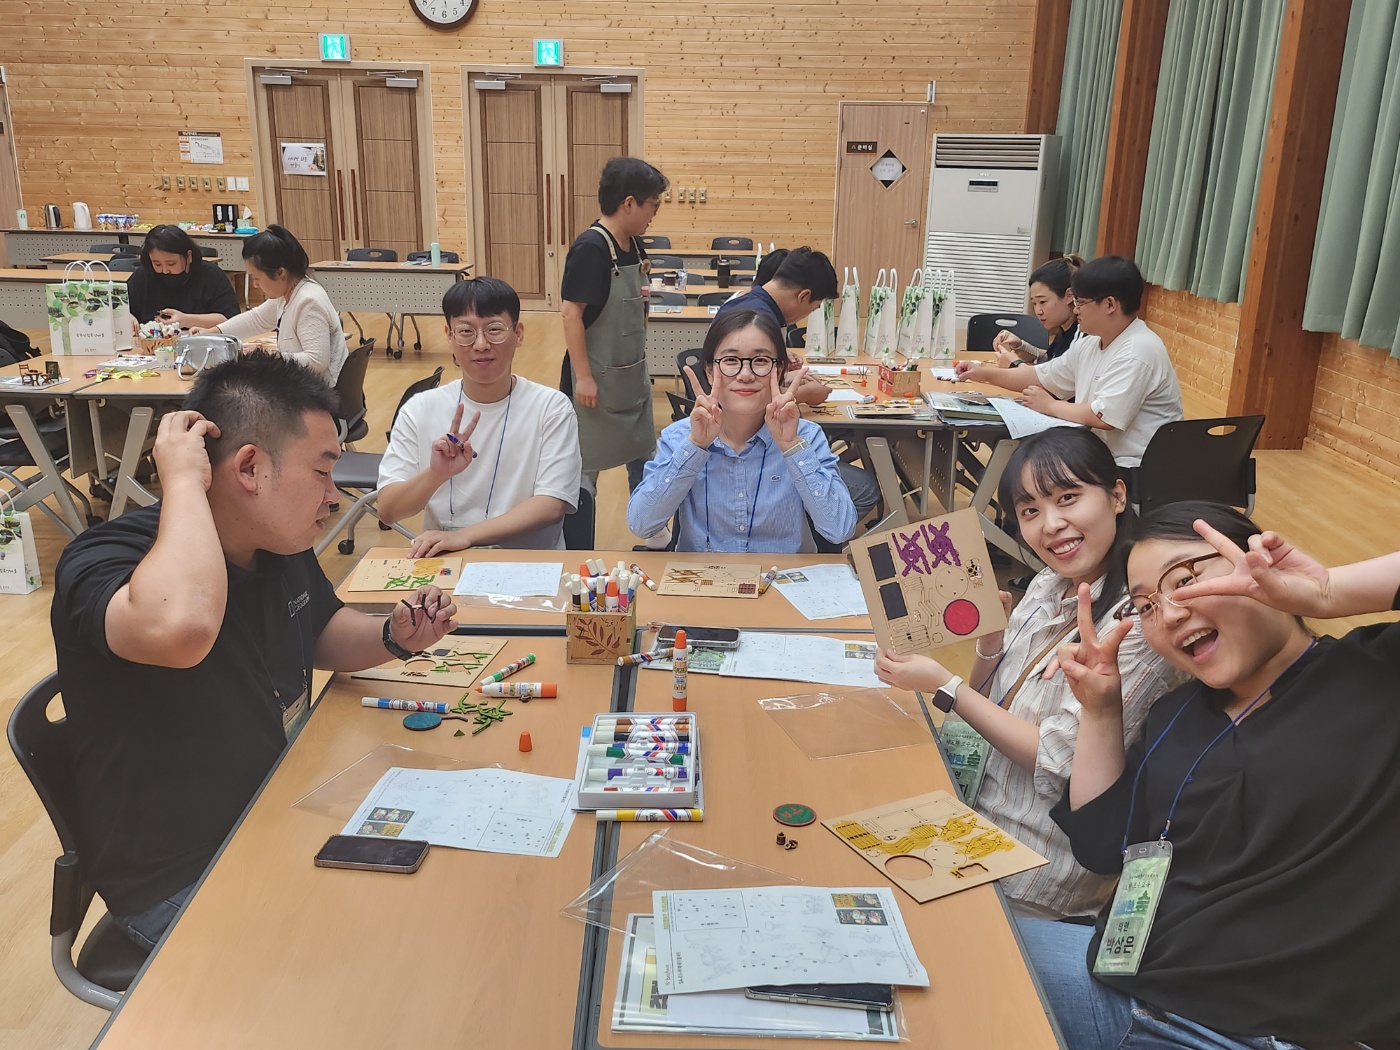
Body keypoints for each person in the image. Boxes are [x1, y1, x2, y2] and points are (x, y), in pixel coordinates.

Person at [50, 352, 459, 952]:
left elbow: (318, 630)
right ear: (248, 468)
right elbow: (184, 629)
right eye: (321, 472)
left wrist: (393, 637)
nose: (334, 496)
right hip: (184, 875)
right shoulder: (104, 559)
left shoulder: (276, 542)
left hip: (274, 807)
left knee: (442, 897)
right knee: (392, 950)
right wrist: (183, 482)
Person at [1020, 502, 1400, 1048]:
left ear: (1261, 565)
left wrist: (1327, 591)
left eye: (1185, 580)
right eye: (1145, 606)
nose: (1169, 614)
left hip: (1258, 1032)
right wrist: (1101, 711)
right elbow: (1103, 846)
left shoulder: (1378, 675)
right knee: (939, 942)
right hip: (1130, 986)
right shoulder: (1178, 716)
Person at [873, 428, 1177, 920]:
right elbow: (984, 704)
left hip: (1031, 865)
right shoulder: (1048, 582)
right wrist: (990, 645)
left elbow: (1058, 760)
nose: (1052, 524)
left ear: (1118, 495)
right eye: (1031, 510)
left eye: (1068, 498)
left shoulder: (1138, 622)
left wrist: (943, 684)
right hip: (968, 808)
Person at [377, 276, 581, 553]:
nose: (481, 344)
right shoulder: (420, 408)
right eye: (466, 332)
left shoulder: (551, 408)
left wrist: (467, 536)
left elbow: (551, 505)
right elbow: (388, 510)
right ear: (449, 336)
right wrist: (435, 475)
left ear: (518, 333)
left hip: (529, 561)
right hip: (446, 560)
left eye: (494, 329)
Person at [628, 309, 857, 553]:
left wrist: (792, 447)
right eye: (730, 361)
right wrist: (695, 446)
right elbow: (642, 524)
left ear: (779, 370)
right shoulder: (680, 437)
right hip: (703, 575)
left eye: (761, 361)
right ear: (709, 371)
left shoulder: (806, 437)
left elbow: (840, 530)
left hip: (784, 574)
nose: (745, 375)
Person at [953, 256, 1182, 467]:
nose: (1076, 309)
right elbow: (1040, 376)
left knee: (1031, 465)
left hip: (1133, 468)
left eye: (1081, 302)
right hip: (1096, 454)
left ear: (1110, 305)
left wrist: (1050, 406)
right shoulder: (1091, 343)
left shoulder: (1138, 349)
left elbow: (1104, 416)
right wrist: (981, 373)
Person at [714, 246, 879, 525]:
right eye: (812, 308)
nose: (807, 315)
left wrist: (782, 374)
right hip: (752, 446)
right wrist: (803, 394)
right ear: (803, 296)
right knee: (865, 488)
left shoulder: (747, 303)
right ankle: (804, 532)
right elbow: (746, 397)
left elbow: (745, 382)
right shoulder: (758, 318)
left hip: (745, 437)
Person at [560, 156, 668, 506]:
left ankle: (651, 530)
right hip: (594, 382)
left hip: (630, 378)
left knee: (644, 461)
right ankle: (578, 532)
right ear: (629, 203)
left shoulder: (634, 244)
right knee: (584, 471)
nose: (654, 214)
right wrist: (583, 378)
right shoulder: (591, 248)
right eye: (653, 205)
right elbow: (570, 314)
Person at [195, 224, 348, 383]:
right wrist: (213, 332)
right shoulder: (286, 293)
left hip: (320, 392)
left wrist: (266, 356)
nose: (255, 285)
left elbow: (316, 362)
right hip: (301, 385)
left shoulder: (308, 301)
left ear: (280, 273)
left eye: (257, 278)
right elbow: (256, 319)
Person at [126, 223, 239, 329]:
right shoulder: (143, 276)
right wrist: (127, 317)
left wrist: (186, 320)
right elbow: (119, 306)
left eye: (171, 264)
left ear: (189, 256)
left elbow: (231, 319)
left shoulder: (211, 276)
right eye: (157, 264)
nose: (165, 271)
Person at [993, 254, 1084, 367]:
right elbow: (1049, 360)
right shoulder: (1064, 330)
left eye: (1042, 302)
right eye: (1034, 303)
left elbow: (1056, 375)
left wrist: (1015, 364)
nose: (1038, 311)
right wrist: (1020, 346)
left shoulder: (1081, 335)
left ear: (1069, 296)